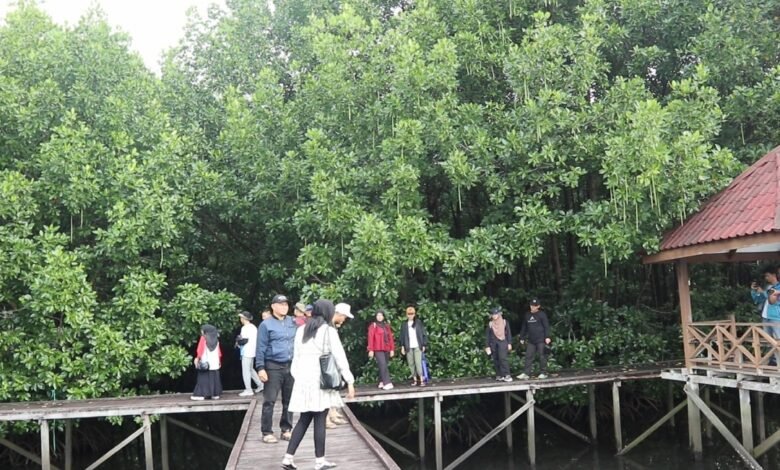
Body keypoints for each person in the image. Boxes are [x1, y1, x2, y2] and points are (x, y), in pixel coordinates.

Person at [281, 300, 355, 470]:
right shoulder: (328, 331)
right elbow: (340, 358)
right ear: (328, 313)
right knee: (320, 420)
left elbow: (296, 358)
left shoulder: (301, 330)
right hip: (320, 381)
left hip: (303, 381)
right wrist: (349, 381)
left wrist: (298, 377)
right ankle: (320, 461)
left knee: (303, 419)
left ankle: (288, 458)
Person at [255, 294, 297, 444]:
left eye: (286, 304)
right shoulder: (266, 325)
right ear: (273, 306)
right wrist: (260, 368)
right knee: (270, 400)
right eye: (280, 304)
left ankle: (286, 429)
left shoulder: (293, 322)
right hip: (273, 366)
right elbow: (260, 347)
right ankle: (266, 431)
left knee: (289, 400)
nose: (284, 307)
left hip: (291, 365)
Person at [326, 303, 355, 429]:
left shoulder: (329, 325)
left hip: (329, 364)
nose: (344, 320)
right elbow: (339, 355)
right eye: (344, 316)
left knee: (332, 389)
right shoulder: (328, 328)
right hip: (326, 365)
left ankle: (332, 414)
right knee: (326, 390)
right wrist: (350, 381)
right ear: (338, 314)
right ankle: (326, 419)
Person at [517, 299, 551, 380]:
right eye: (531, 305)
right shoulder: (527, 315)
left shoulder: (542, 314)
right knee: (528, 356)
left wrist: (547, 337)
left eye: (534, 306)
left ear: (538, 306)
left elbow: (546, 326)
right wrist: (522, 337)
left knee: (542, 356)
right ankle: (526, 373)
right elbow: (524, 327)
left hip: (541, 339)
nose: (532, 307)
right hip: (531, 340)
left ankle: (543, 373)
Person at [192, 325, 223, 401]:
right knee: (214, 378)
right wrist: (219, 361)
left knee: (203, 379)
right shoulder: (216, 338)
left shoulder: (203, 338)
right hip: (214, 363)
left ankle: (201, 395)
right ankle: (214, 394)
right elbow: (219, 352)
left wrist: (197, 358)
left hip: (206, 362)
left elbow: (200, 350)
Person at [400, 304, 428, 387]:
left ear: (414, 314)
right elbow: (402, 336)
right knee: (411, 364)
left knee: (418, 363)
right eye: (409, 314)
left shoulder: (418, 323)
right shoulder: (404, 324)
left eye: (412, 314)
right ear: (406, 314)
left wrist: (423, 345)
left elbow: (423, 334)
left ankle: (421, 380)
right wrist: (402, 347)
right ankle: (415, 380)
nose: (410, 315)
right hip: (408, 347)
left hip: (417, 346)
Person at [368, 309, 396, 390]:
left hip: (386, 348)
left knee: (384, 365)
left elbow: (390, 338)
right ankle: (387, 383)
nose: (379, 317)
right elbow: (370, 338)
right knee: (383, 364)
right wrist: (371, 349)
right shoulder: (373, 326)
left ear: (383, 317)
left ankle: (381, 381)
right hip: (378, 349)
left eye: (381, 315)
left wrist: (392, 349)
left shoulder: (386, 326)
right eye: (378, 315)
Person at [237, 311, 263, 397]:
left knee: (246, 371)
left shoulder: (245, 328)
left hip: (246, 351)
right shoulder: (253, 327)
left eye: (241, 318)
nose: (240, 319)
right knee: (251, 369)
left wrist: (238, 342)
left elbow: (243, 340)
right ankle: (260, 385)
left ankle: (248, 390)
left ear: (244, 319)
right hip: (252, 351)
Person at [485, 307, 513, 382]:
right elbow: (487, 335)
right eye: (493, 314)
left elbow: (509, 333)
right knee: (496, 359)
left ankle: (507, 375)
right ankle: (499, 375)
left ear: (499, 314)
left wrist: (509, 343)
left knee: (503, 358)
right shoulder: (490, 323)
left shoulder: (504, 322)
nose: (494, 316)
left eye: (496, 314)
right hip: (493, 343)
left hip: (503, 342)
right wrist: (487, 346)